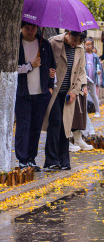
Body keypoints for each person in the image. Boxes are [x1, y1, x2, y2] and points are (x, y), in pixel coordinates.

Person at [42, 30, 88, 171]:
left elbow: (81, 71)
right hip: (54, 91)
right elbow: (44, 62)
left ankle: (63, 160)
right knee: (55, 122)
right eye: (75, 40)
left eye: (80, 41)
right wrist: (47, 73)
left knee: (65, 126)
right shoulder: (54, 42)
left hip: (69, 92)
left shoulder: (80, 49)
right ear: (69, 34)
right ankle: (51, 160)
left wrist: (75, 91)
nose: (76, 44)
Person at [15, 21, 56, 170]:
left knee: (36, 127)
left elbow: (52, 66)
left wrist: (50, 86)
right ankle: (22, 159)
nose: (30, 30)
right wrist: (31, 65)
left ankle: (31, 158)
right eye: (27, 27)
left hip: (41, 94)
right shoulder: (16, 43)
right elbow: (12, 68)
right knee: (23, 127)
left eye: (33, 27)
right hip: (23, 94)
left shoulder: (44, 44)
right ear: (21, 28)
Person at [84, 38, 104, 115]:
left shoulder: (95, 56)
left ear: (92, 45)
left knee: (94, 95)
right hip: (84, 79)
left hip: (92, 79)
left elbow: (98, 66)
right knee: (84, 95)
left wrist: (98, 71)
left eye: (89, 45)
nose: (88, 46)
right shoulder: (83, 55)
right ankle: (84, 112)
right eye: (86, 45)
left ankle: (97, 111)